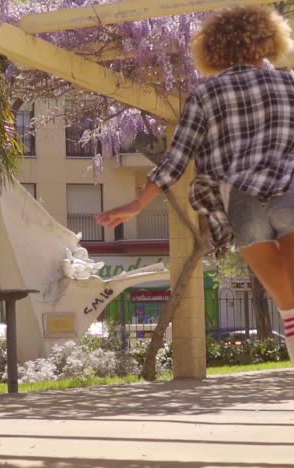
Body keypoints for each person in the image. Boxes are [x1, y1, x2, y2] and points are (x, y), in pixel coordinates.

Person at [96, 6, 294, 358]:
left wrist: (137, 204)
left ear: (213, 48)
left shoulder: (204, 95)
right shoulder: (288, 81)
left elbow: (176, 159)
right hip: (288, 192)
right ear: (268, 41)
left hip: (243, 206)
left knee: (289, 308)